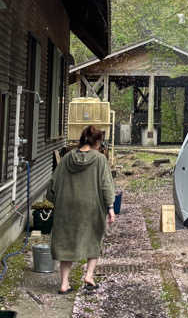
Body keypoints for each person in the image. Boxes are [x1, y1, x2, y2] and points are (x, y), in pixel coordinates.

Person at [47, 125, 115, 294]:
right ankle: (89, 277)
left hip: (66, 207)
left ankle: (64, 284)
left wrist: (57, 201)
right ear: (97, 141)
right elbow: (106, 185)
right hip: (91, 207)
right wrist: (111, 207)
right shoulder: (100, 160)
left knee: (66, 242)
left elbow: (52, 185)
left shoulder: (67, 158)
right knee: (94, 238)